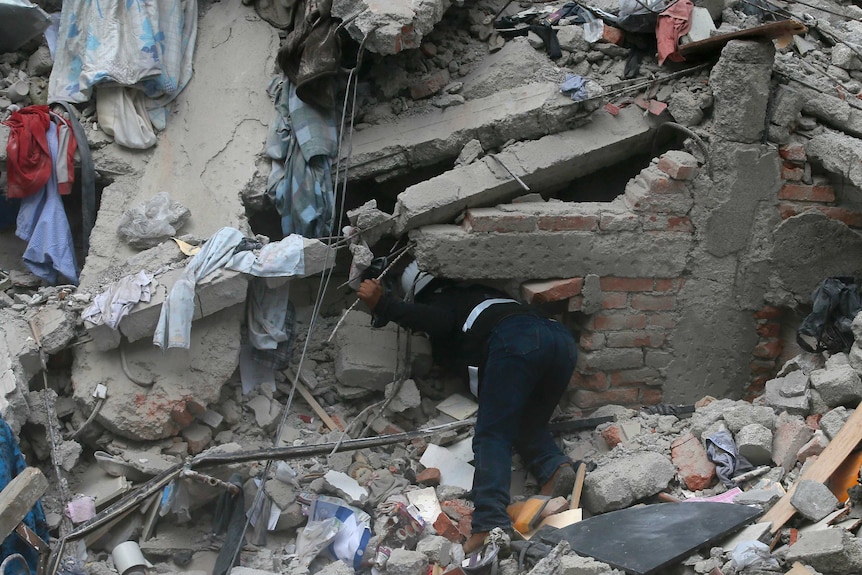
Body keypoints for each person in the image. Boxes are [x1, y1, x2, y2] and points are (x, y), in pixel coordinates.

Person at [357, 261, 578, 553]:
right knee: (527, 422)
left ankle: (489, 524)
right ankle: (553, 467)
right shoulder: (483, 293)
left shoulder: (440, 298)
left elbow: (435, 321)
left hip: (516, 340)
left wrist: (383, 304)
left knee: (492, 435)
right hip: (559, 340)